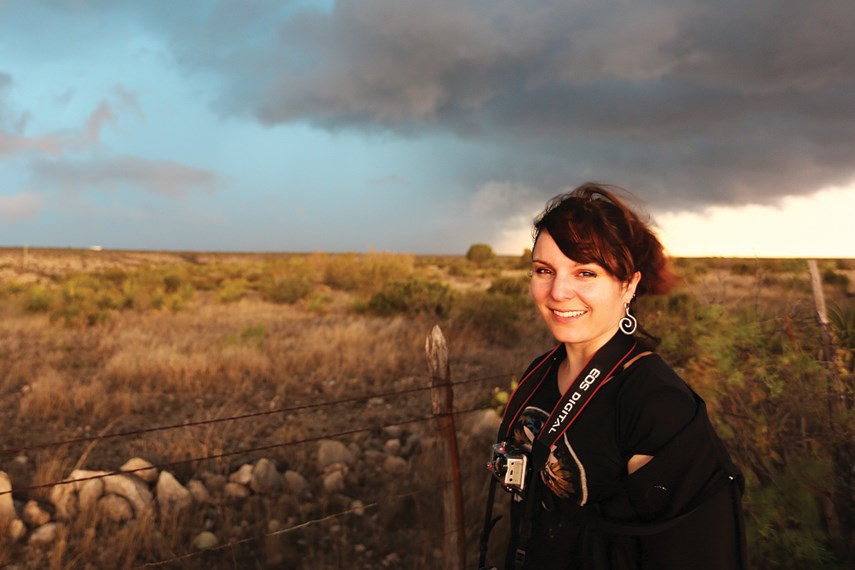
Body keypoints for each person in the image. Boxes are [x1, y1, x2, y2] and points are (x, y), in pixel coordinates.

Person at [482, 183, 746, 569]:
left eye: (586, 272)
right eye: (544, 270)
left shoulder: (655, 405)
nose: (558, 291)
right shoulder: (538, 375)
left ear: (629, 285)